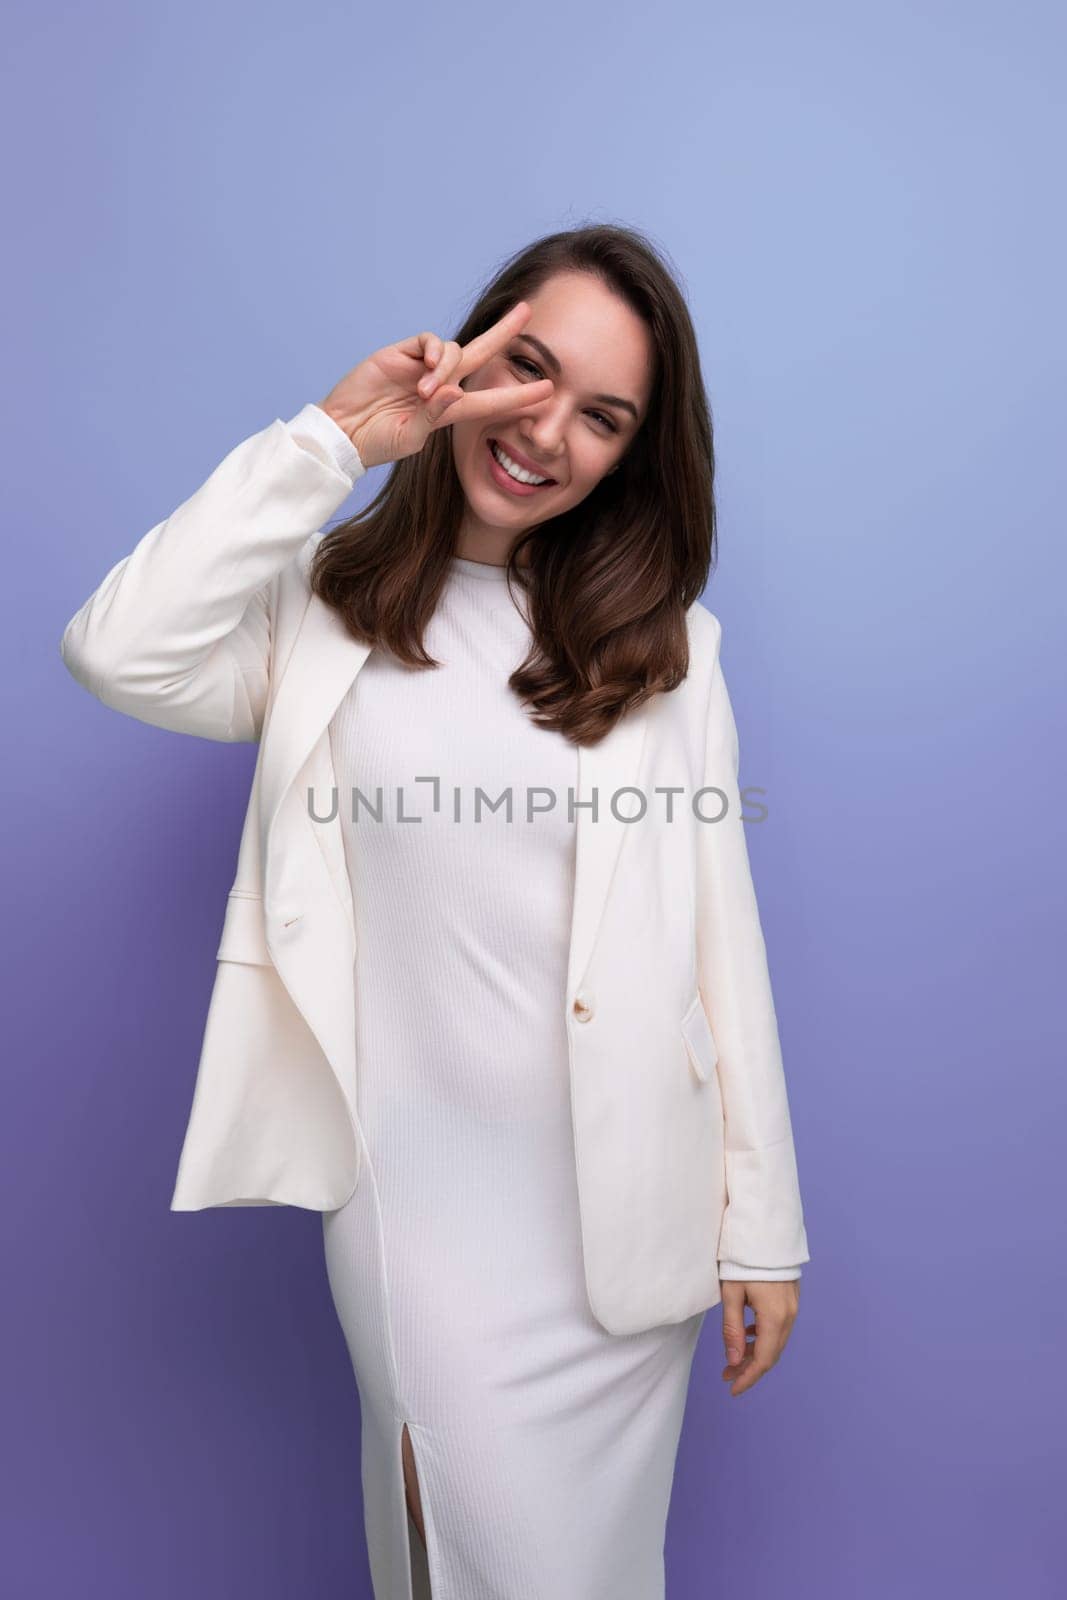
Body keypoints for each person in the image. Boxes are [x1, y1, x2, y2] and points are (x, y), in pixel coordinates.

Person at [60, 224, 810, 1599]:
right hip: (422, 1214)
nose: (546, 431)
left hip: (624, 1220)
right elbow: (116, 650)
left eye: (601, 417)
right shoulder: (320, 609)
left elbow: (722, 945)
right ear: (464, 357)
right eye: (527, 370)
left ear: (633, 456)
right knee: (463, 1558)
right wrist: (336, 442)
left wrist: (763, 1225)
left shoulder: (670, 654)